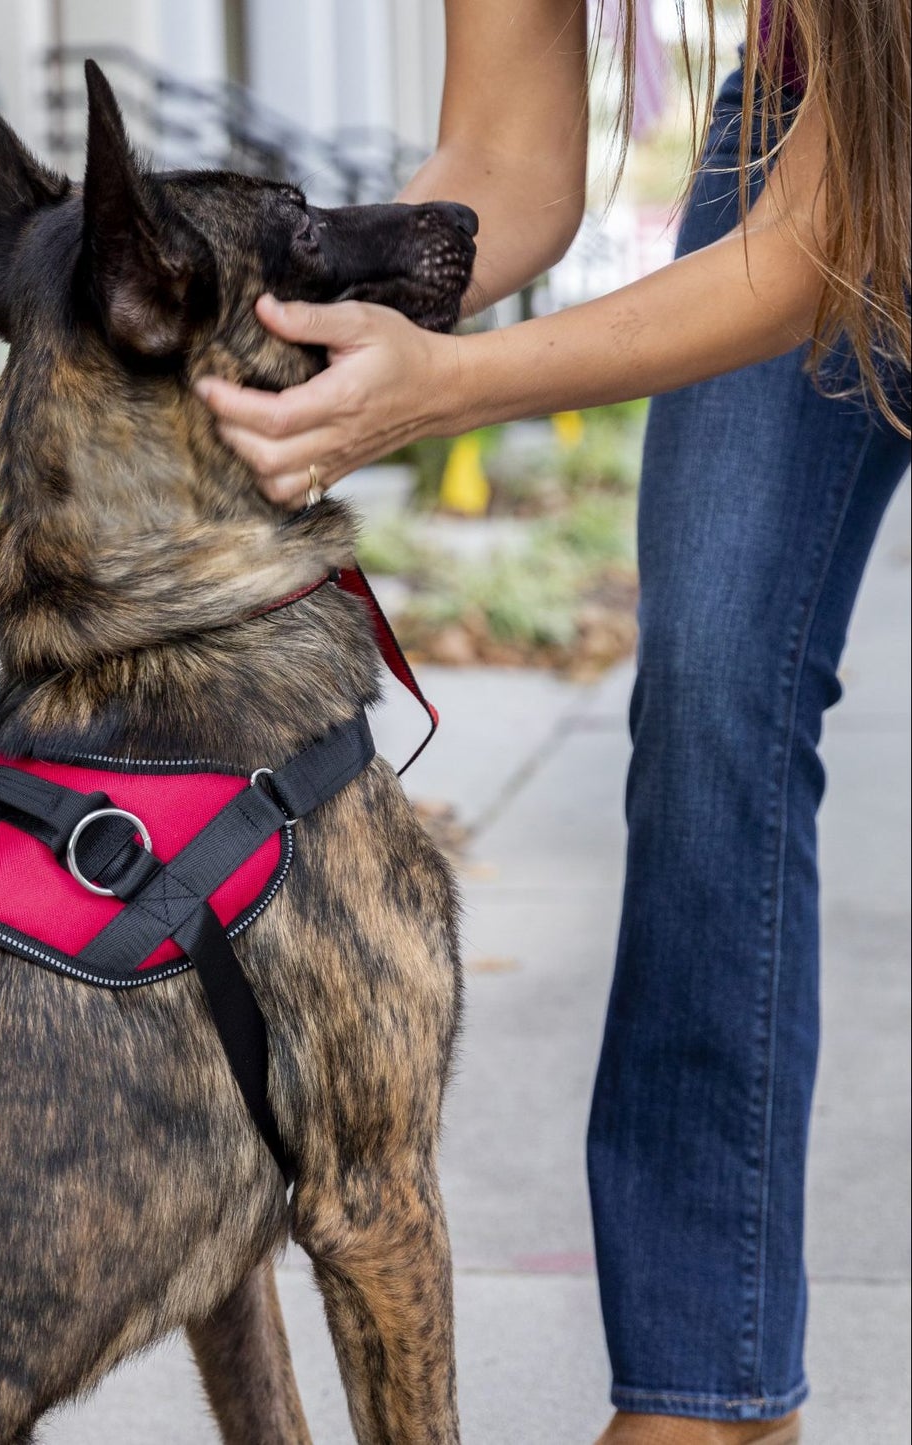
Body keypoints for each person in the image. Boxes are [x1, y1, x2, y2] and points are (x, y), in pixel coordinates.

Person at [194, 2, 911, 1441]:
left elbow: (828, 236)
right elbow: (504, 168)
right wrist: (295, 325)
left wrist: (449, 389)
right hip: (809, 112)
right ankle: (708, 1396)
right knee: (712, 676)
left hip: (860, 131)